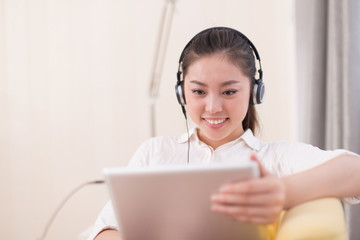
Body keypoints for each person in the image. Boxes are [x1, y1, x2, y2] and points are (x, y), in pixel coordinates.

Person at [88, 27, 360, 240]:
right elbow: (105, 230)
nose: (213, 107)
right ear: (182, 93)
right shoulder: (155, 152)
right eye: (198, 91)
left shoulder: (276, 158)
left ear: (255, 92)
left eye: (229, 91)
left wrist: (282, 191)